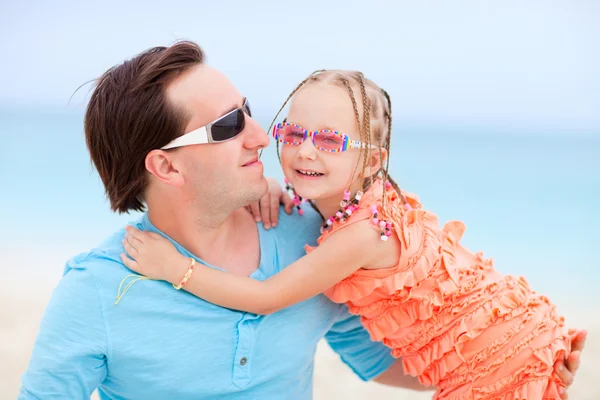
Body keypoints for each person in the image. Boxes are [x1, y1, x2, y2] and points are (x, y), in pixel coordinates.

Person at [122, 69, 587, 399]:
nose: (305, 151)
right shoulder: (368, 199)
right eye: (293, 132)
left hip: (505, 353)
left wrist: (175, 268)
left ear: (372, 159)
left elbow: (265, 298)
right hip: (521, 336)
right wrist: (266, 187)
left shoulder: (362, 234)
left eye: (329, 141)